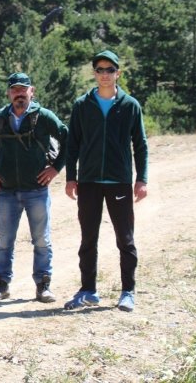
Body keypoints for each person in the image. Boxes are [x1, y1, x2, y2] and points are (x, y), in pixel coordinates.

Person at [63, 50, 148, 312]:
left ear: (117, 73)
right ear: (94, 73)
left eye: (109, 70)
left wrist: (141, 179)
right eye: (99, 69)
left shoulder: (130, 105)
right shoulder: (82, 104)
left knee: (125, 238)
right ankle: (88, 290)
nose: (104, 74)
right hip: (88, 181)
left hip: (119, 181)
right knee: (88, 238)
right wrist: (70, 177)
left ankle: (128, 291)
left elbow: (140, 145)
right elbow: (72, 144)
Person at [0, 73, 68, 304]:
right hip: (6, 191)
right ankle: (1, 285)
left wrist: (56, 169)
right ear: (9, 93)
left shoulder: (44, 116)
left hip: (37, 190)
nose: (19, 94)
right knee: (4, 241)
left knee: (41, 240)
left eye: (23, 89)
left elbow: (69, 139)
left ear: (32, 91)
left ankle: (43, 286)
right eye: (15, 90)